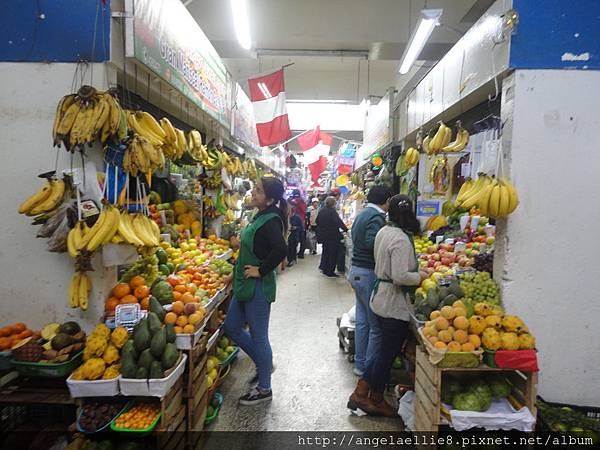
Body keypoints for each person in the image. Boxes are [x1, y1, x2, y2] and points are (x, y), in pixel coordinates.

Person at [348, 194, 428, 417]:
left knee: (382, 350)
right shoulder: (401, 239)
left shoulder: (384, 231)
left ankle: (361, 393)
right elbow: (401, 276)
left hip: (380, 298)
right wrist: (421, 275)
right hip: (393, 303)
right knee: (386, 354)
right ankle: (374, 398)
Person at [223, 176, 288, 406]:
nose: (253, 192)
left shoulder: (271, 220)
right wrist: (235, 271)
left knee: (259, 336)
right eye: (255, 188)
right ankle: (264, 364)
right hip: (243, 283)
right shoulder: (258, 214)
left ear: (269, 199)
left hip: (258, 287)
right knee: (231, 327)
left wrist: (260, 270)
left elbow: (281, 248)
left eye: (258, 191)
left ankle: (264, 388)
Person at [349, 185, 393, 377]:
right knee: (375, 326)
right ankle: (369, 370)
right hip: (367, 272)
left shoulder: (362, 214)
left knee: (362, 322)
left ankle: (360, 364)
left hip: (356, 271)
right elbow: (371, 242)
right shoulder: (376, 217)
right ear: (386, 201)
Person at [316, 196, 348, 277]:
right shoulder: (332, 211)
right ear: (333, 203)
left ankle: (324, 268)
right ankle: (330, 271)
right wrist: (346, 230)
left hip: (324, 235)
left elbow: (317, 221)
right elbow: (338, 222)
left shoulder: (322, 210)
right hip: (333, 236)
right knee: (333, 253)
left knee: (325, 252)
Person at [289, 189, 307, 259]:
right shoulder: (300, 201)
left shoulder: (299, 201)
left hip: (299, 222)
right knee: (298, 239)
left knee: (298, 239)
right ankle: (297, 254)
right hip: (298, 221)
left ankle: (298, 254)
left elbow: (303, 210)